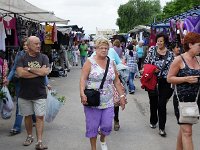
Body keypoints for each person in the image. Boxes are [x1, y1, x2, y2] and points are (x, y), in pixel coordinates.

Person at [80, 37, 126, 150]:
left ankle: (103, 139)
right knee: (93, 126)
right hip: (92, 100)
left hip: (108, 100)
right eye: (101, 48)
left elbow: (116, 80)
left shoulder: (111, 62)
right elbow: (83, 79)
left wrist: (122, 96)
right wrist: (82, 93)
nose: (104, 50)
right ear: (96, 49)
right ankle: (93, 147)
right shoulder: (89, 62)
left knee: (106, 125)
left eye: (106, 48)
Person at [167, 32, 200, 150]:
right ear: (190, 45)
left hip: (195, 100)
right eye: (199, 45)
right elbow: (169, 78)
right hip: (182, 100)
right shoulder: (179, 60)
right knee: (187, 132)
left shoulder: (198, 60)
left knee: (184, 130)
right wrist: (186, 79)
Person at [16, 36, 49, 150]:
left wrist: (29, 69)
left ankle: (39, 141)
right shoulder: (21, 58)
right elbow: (20, 74)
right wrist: (39, 72)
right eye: (35, 44)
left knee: (40, 117)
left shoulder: (44, 57)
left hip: (40, 93)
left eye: (39, 43)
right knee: (27, 116)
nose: (38, 46)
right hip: (24, 94)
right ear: (28, 45)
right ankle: (29, 136)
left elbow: (45, 72)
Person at [144, 32, 174, 137]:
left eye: (161, 41)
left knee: (161, 104)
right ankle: (153, 120)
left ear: (165, 42)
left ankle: (162, 127)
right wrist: (152, 69)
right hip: (152, 79)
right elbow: (146, 62)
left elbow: (172, 68)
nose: (159, 43)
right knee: (153, 102)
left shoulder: (170, 54)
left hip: (164, 81)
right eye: (158, 41)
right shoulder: (152, 50)